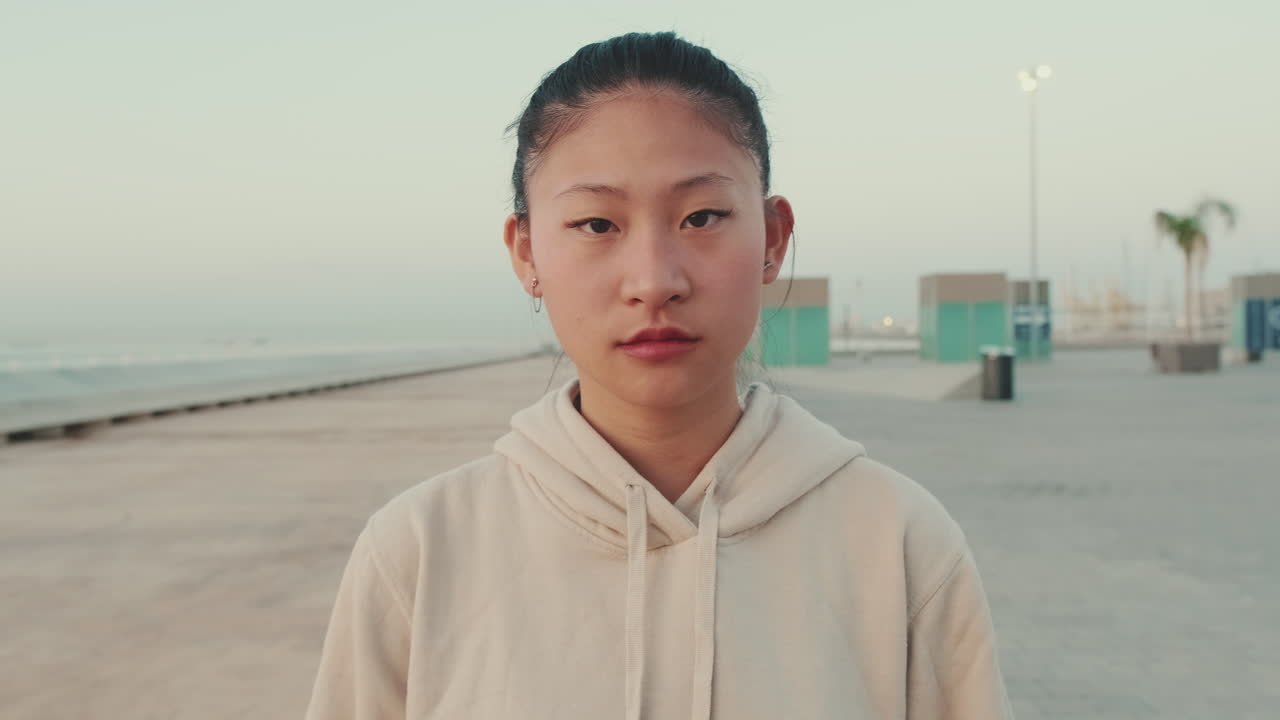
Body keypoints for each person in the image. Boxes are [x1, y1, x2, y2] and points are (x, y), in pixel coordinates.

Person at [305, 31, 1012, 720]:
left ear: (772, 239)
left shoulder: (900, 546)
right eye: (596, 225)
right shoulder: (421, 556)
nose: (653, 281)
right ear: (526, 252)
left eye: (701, 216)